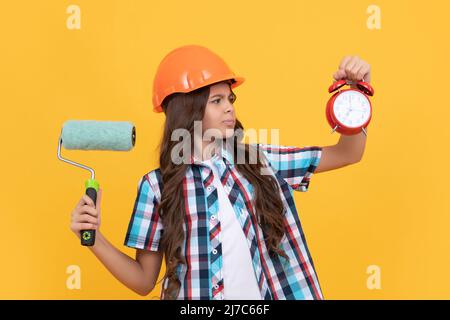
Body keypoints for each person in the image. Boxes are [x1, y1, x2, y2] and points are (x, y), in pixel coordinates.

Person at [70, 45, 371, 300]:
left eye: (230, 99)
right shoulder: (157, 187)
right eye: (216, 100)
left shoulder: (260, 162)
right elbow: (144, 281)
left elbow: (348, 153)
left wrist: (354, 97)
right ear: (187, 109)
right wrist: (94, 238)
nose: (229, 108)